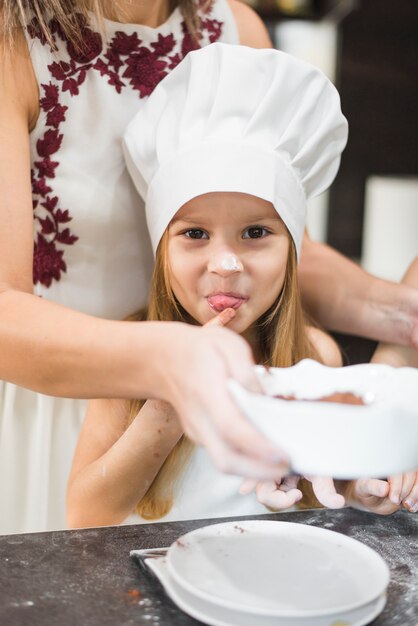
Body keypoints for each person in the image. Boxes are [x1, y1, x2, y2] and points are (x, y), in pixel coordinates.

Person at [1, 0, 417, 535]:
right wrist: (167, 370)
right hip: (56, 406)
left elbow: (293, 249)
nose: (225, 263)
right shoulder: (14, 43)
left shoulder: (236, 27)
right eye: (194, 234)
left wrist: (404, 317)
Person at [66, 42, 348, 528]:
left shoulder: (316, 356)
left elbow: (328, 492)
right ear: (162, 251)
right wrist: (169, 400)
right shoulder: (127, 359)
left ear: (292, 251)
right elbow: (84, 515)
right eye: (195, 234)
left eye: (256, 233)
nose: (225, 263)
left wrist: (363, 484)